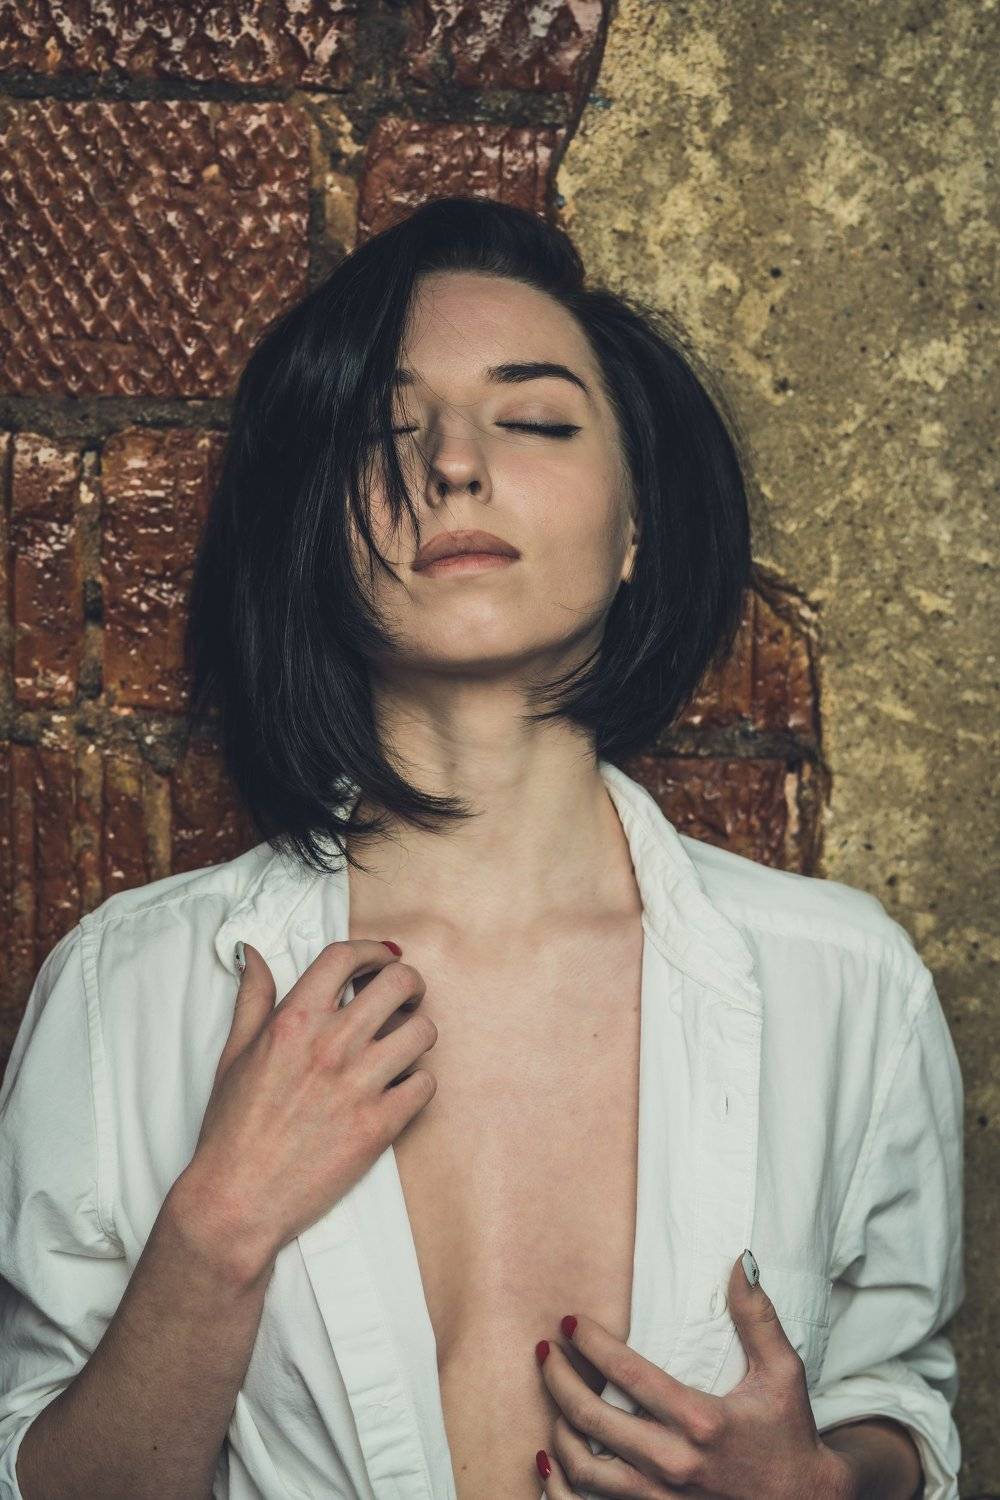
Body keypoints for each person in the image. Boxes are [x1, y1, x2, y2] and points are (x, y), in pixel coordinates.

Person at [0, 197, 964, 1500]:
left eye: (536, 420)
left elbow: (901, 1403)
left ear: (635, 528)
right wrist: (219, 1224)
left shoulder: (844, 980)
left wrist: (827, 1482)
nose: (454, 464)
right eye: (386, 432)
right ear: (316, 536)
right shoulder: (131, 988)